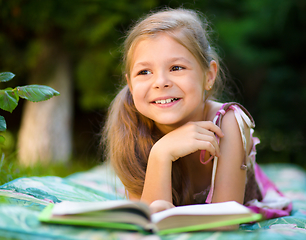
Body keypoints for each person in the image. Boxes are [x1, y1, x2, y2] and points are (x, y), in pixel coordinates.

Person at [102, 8, 292, 219]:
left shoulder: (228, 121)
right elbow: (148, 222)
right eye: (144, 72)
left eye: (176, 67)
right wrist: (161, 154)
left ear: (209, 75)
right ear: (130, 83)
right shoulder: (132, 126)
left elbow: (225, 221)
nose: (160, 82)